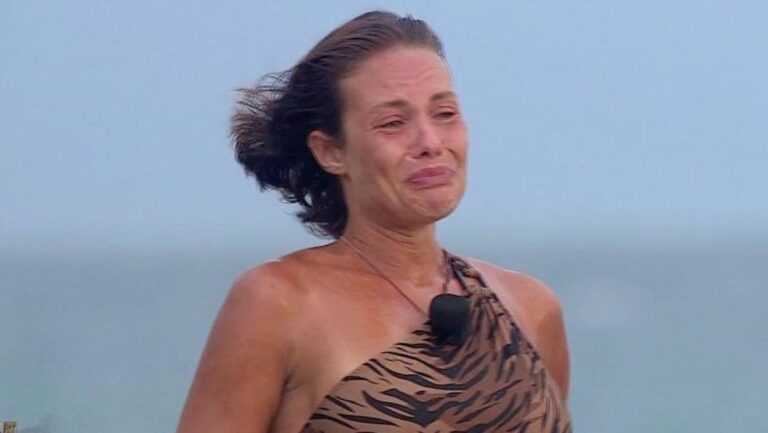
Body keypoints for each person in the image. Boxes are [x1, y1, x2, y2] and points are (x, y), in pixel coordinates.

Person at [177, 10, 572, 433]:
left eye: (444, 113)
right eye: (393, 123)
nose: (430, 142)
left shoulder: (531, 308)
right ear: (331, 152)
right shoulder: (278, 304)